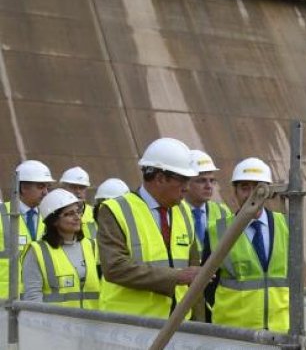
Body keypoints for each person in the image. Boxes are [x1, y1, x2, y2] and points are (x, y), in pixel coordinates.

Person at [96, 137, 204, 319]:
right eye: (183, 180)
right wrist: (176, 277)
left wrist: (199, 325)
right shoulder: (115, 210)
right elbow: (115, 268)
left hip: (177, 325)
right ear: (160, 178)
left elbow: (193, 274)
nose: (187, 188)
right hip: (129, 324)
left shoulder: (184, 211)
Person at [206, 157, 288, 332]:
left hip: (279, 331)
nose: (252, 194)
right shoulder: (217, 231)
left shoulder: (287, 225)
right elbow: (206, 286)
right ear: (234, 191)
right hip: (234, 333)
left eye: (258, 187)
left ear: (268, 191)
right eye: (245, 187)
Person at [21, 188, 99, 309]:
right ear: (54, 221)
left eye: (78, 211)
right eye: (69, 214)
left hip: (93, 324)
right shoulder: (37, 251)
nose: (77, 217)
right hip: (54, 326)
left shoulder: (93, 246)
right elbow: (32, 297)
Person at [182, 149, 229, 321]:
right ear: (186, 183)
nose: (209, 186)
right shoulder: (175, 212)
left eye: (212, 181)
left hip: (214, 292)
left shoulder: (222, 212)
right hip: (185, 291)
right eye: (201, 181)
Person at [1, 160, 55, 298]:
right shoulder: (1, 213)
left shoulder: (50, 216)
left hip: (38, 298)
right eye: (41, 187)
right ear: (24, 187)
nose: (46, 192)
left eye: (47, 187)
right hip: (5, 299)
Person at [59, 166, 94, 239]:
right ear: (63, 188)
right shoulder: (54, 214)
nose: (78, 191)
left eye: (82, 187)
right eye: (73, 187)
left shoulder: (96, 214)